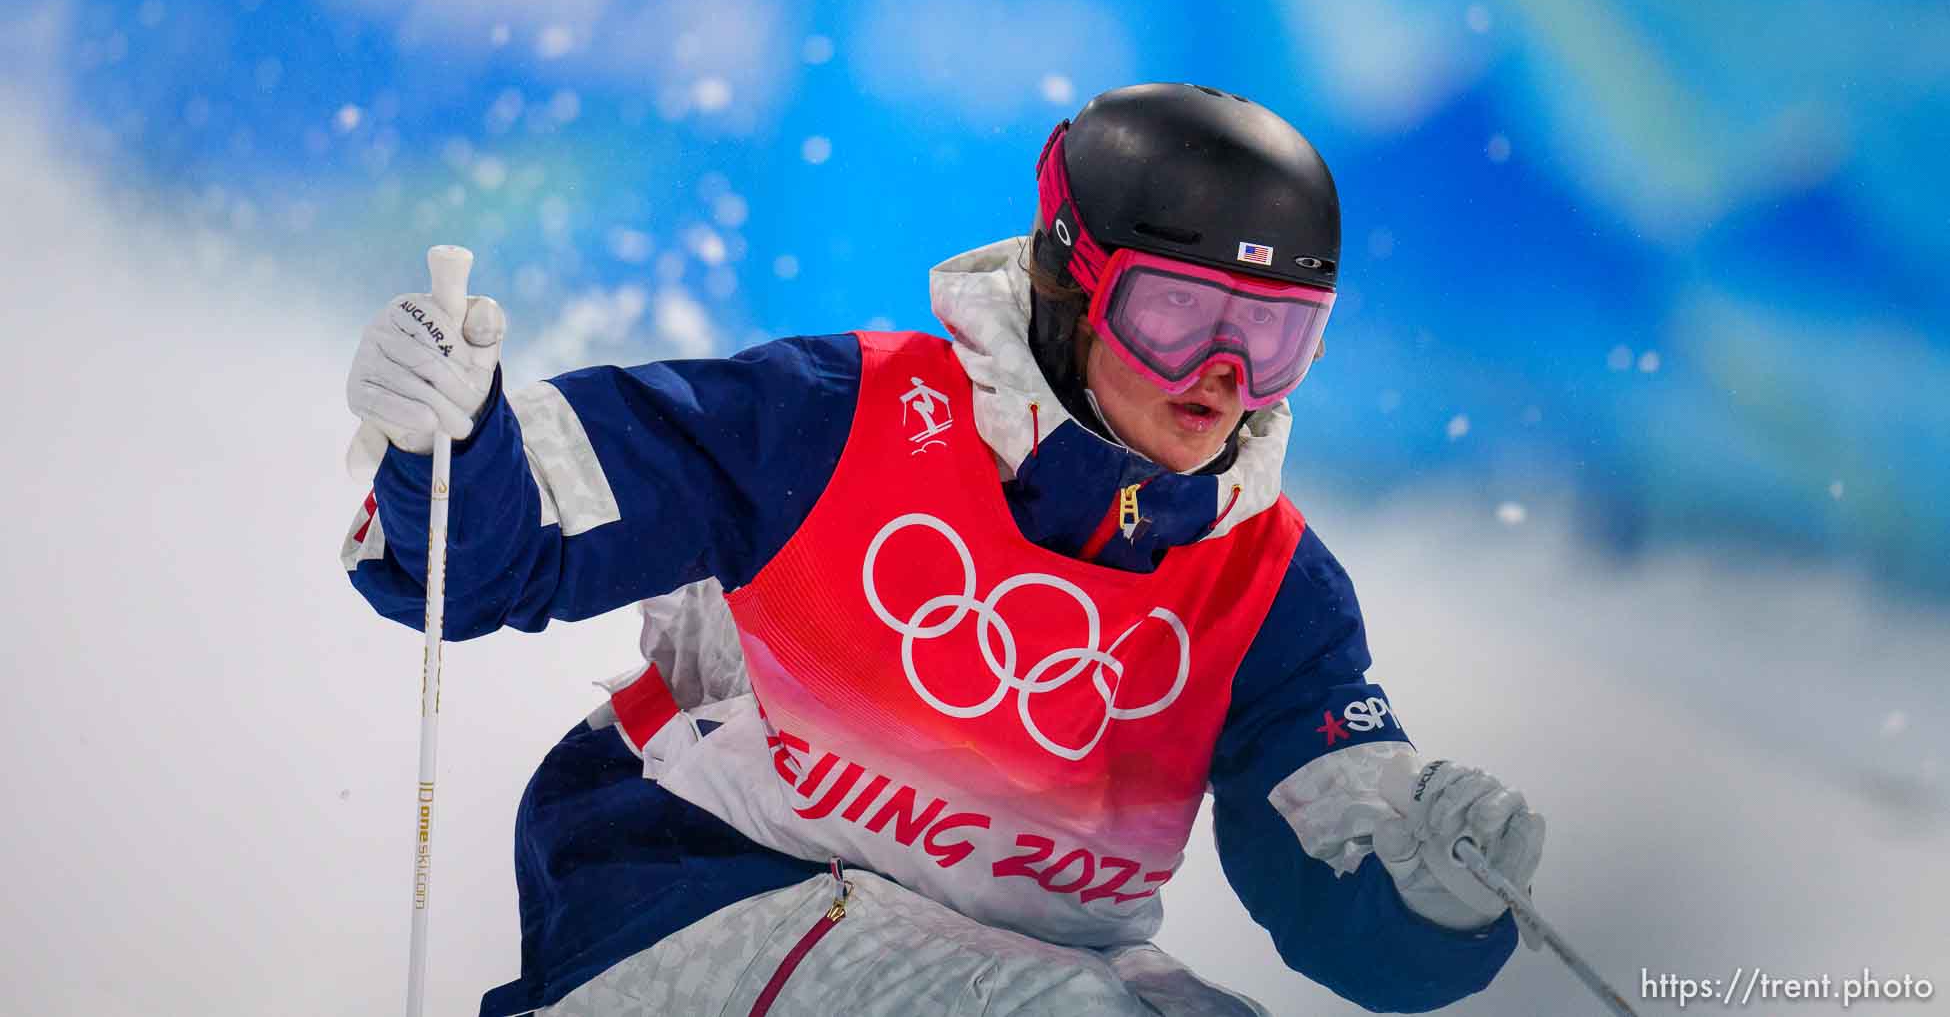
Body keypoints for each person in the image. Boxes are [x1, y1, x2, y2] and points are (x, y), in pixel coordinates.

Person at [342, 83, 1546, 1016]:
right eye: (1175, 315)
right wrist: (446, 437)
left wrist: (1431, 893)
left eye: (1273, 338)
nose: (1222, 380)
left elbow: (1341, 881)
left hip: (1017, 966)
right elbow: (494, 552)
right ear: (1077, 285)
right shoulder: (834, 415)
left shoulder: (1271, 586)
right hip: (693, 898)